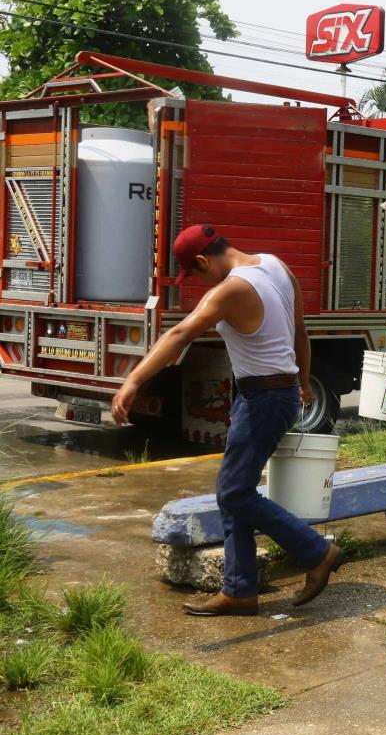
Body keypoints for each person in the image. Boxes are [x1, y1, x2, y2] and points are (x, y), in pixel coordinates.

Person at [111, 226, 344, 617]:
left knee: (234, 492)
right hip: (276, 392)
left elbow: (182, 332)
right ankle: (239, 589)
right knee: (235, 488)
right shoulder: (276, 265)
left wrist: (133, 380)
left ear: (202, 261)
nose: (199, 282)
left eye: (195, 274)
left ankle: (317, 551)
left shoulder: (229, 289)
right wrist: (303, 384)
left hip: (264, 400)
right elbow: (299, 332)